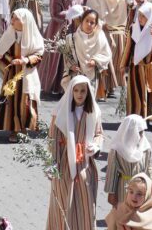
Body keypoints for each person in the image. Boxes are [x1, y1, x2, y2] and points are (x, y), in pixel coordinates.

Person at [45, 75, 103, 230]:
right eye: (76, 90)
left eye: (83, 91)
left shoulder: (93, 112)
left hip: (85, 164)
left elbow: (99, 134)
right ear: (71, 91)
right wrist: (52, 165)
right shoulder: (60, 114)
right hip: (64, 164)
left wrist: (96, 146)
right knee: (64, 203)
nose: (79, 94)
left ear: (88, 92)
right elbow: (53, 141)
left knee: (86, 203)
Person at [0, 8, 45, 135]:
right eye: (13, 18)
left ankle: (23, 128)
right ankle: (13, 130)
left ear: (25, 22)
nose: (12, 21)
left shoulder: (33, 37)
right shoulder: (9, 34)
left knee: (25, 101)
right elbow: (0, 53)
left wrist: (26, 60)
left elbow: (39, 55)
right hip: (12, 75)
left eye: (16, 19)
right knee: (11, 100)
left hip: (27, 75)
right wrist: (11, 60)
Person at [105, 115, 152, 206]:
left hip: (142, 189)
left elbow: (150, 167)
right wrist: (111, 192)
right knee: (124, 215)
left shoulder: (145, 147)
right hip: (124, 189)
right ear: (130, 132)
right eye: (139, 132)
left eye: (142, 132)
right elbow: (112, 172)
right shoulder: (117, 150)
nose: (141, 135)